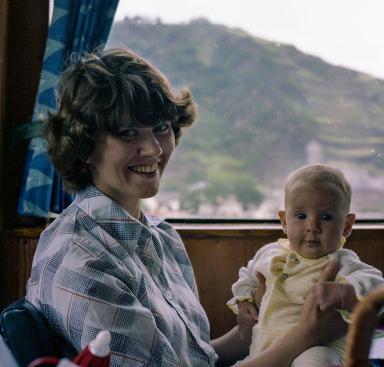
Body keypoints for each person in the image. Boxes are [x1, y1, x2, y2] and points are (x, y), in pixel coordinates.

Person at [26, 48, 348, 367]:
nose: (153, 149)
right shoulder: (81, 260)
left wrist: (248, 331)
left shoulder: (161, 236)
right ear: (84, 145)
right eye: (128, 132)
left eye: (161, 127)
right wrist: (304, 337)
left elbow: (193, 360)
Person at [227, 163, 384, 366]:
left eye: (326, 217)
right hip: (264, 351)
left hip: (321, 349)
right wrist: (244, 302)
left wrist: (345, 294)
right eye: (301, 216)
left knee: (314, 361)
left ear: (346, 226)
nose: (312, 227)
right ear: (284, 221)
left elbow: (377, 291)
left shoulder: (342, 263)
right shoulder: (269, 254)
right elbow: (247, 276)